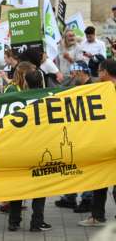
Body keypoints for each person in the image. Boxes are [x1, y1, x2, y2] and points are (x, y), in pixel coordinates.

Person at [8, 64, 51, 233]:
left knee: (18, 186)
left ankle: (14, 221)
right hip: (40, 149)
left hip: (20, 148)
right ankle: (36, 222)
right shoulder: (48, 98)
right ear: (41, 82)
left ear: (25, 82)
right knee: (40, 187)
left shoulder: (17, 100)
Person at [78, 59, 116, 227]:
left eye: (99, 72)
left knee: (108, 183)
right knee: (100, 180)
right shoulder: (101, 90)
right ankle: (97, 216)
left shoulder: (106, 91)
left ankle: (98, 216)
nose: (98, 75)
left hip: (110, 143)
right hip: (105, 143)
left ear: (105, 72)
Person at [54, 60, 93, 213]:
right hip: (76, 132)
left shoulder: (92, 88)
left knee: (87, 168)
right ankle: (70, 197)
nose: (71, 75)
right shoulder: (76, 86)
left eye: (74, 72)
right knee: (71, 166)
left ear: (82, 72)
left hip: (88, 134)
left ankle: (87, 199)